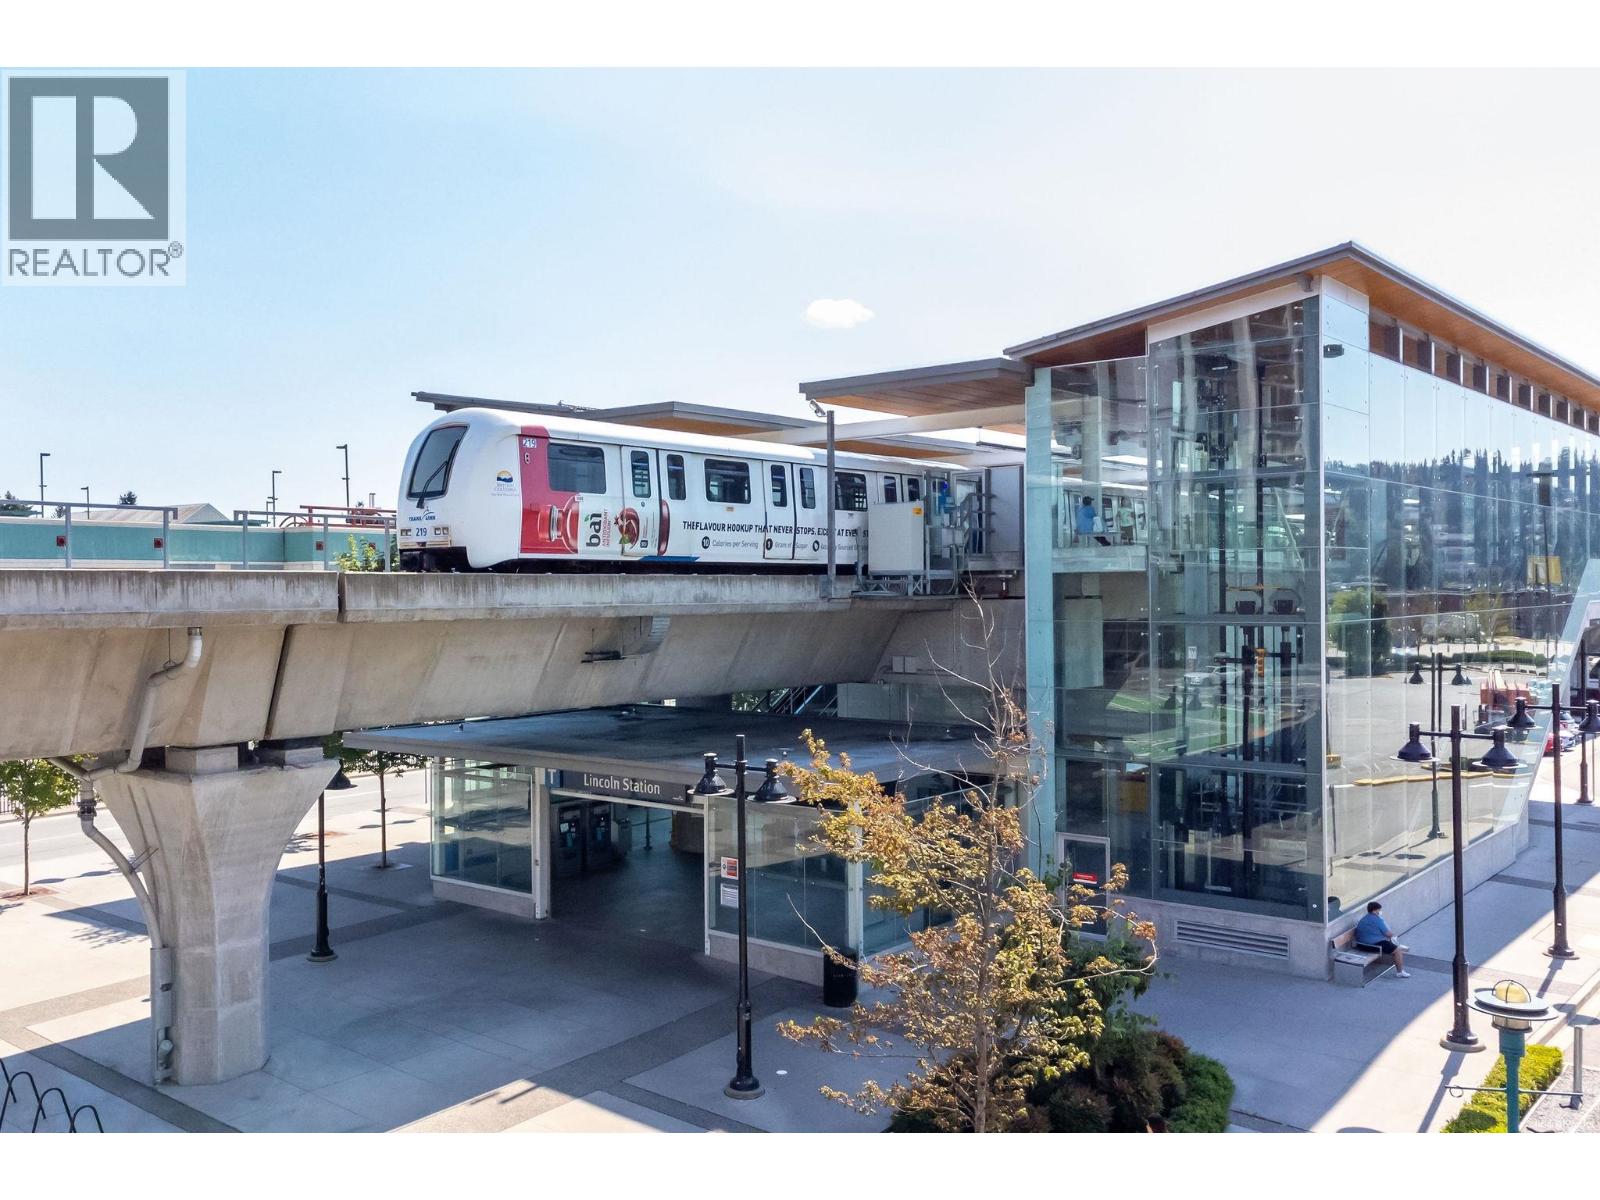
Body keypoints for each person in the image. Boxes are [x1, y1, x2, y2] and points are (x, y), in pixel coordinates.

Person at [1353, 900, 1409, 977]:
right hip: (1372, 945)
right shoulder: (1377, 920)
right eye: (1379, 910)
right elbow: (1388, 934)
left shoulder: (1364, 919)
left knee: (1391, 944)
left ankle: (1397, 950)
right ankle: (1400, 972)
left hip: (1361, 944)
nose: (1380, 911)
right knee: (1398, 951)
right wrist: (1392, 936)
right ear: (1374, 910)